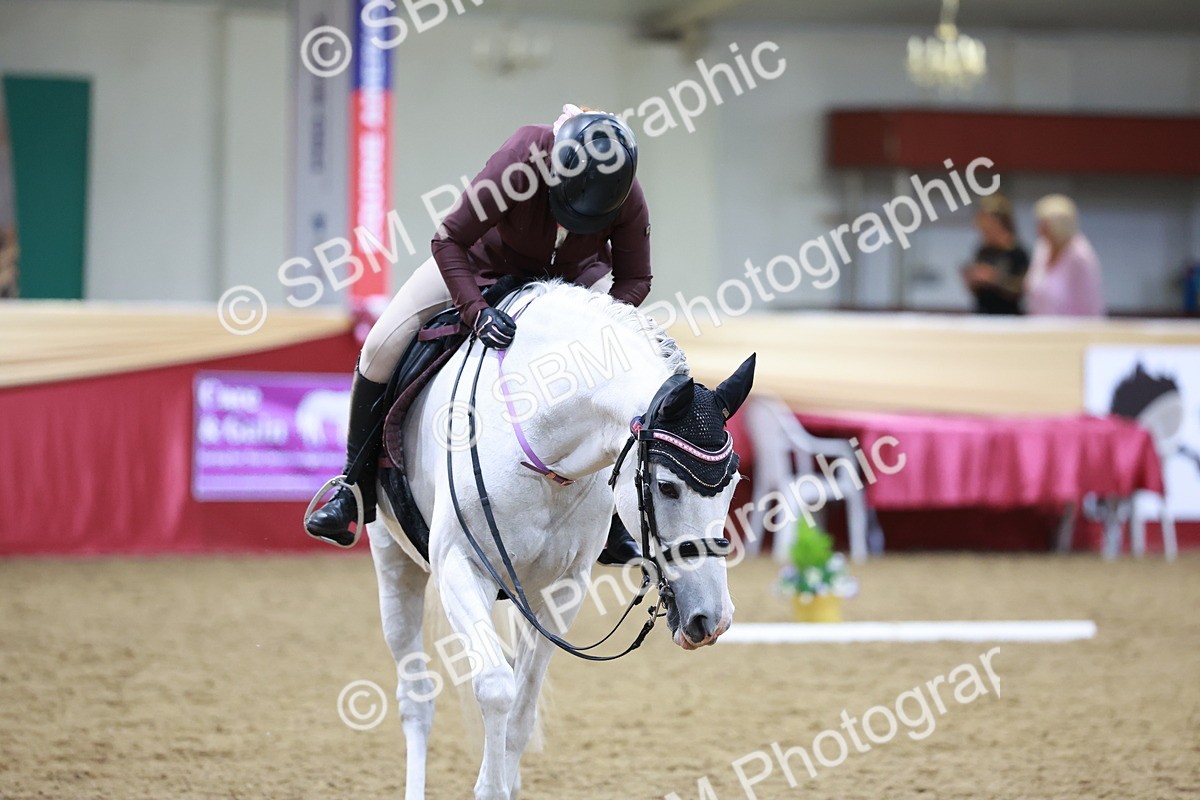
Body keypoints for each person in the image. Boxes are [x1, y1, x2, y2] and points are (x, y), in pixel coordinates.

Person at [304, 105, 650, 565]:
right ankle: (352, 487)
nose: (569, 226)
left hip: (568, 287)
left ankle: (606, 519)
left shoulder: (625, 191)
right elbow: (449, 239)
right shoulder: (522, 156)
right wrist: (476, 310)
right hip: (479, 269)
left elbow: (637, 280)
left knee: (612, 369)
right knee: (379, 346)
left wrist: (595, 324)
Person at [1025, 194, 1106, 317]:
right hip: (1039, 327)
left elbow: (1092, 306)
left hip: (1071, 331)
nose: (1039, 230)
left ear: (1059, 225)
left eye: (1044, 225)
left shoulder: (1080, 256)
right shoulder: (1042, 248)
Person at [960, 194, 1028, 315]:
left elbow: (1021, 289)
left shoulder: (1017, 253)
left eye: (987, 226)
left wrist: (994, 278)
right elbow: (977, 291)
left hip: (1008, 317)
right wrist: (972, 280)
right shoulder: (983, 251)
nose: (983, 231)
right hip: (982, 315)